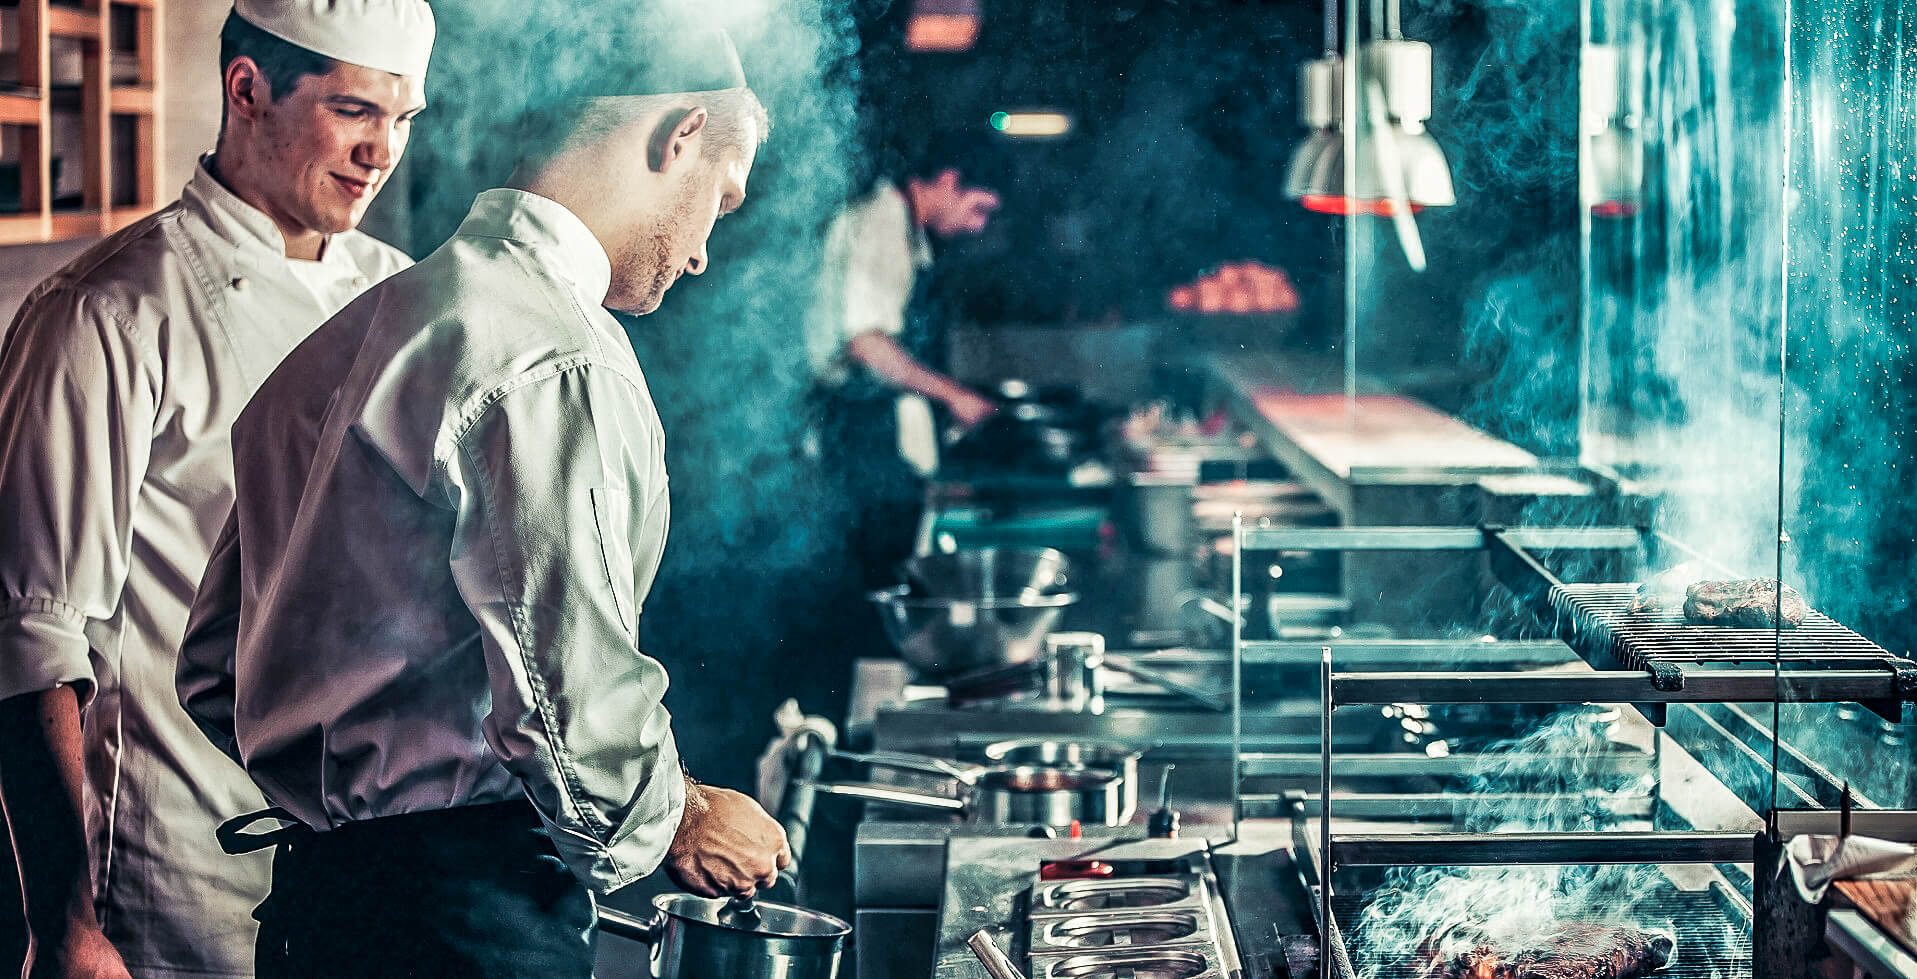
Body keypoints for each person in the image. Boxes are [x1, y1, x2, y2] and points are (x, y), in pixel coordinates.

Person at [175, 26, 787, 977]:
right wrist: (681, 817)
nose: (705, 249)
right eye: (722, 195)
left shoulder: (353, 334)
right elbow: (569, 701)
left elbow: (216, 666)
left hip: (310, 913)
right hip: (462, 928)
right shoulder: (552, 356)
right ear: (681, 135)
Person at [0, 1, 431, 975]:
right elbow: (31, 637)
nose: (383, 154)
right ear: (246, 91)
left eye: (404, 121)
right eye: (356, 111)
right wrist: (64, 925)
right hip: (175, 879)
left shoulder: (399, 295)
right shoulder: (105, 315)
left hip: (357, 872)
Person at [808, 144, 1004, 592]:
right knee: (880, 584)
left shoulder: (905, 230)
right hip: (862, 429)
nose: (978, 226)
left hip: (873, 427)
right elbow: (867, 346)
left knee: (889, 580)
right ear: (949, 181)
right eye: (978, 209)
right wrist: (956, 397)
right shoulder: (880, 224)